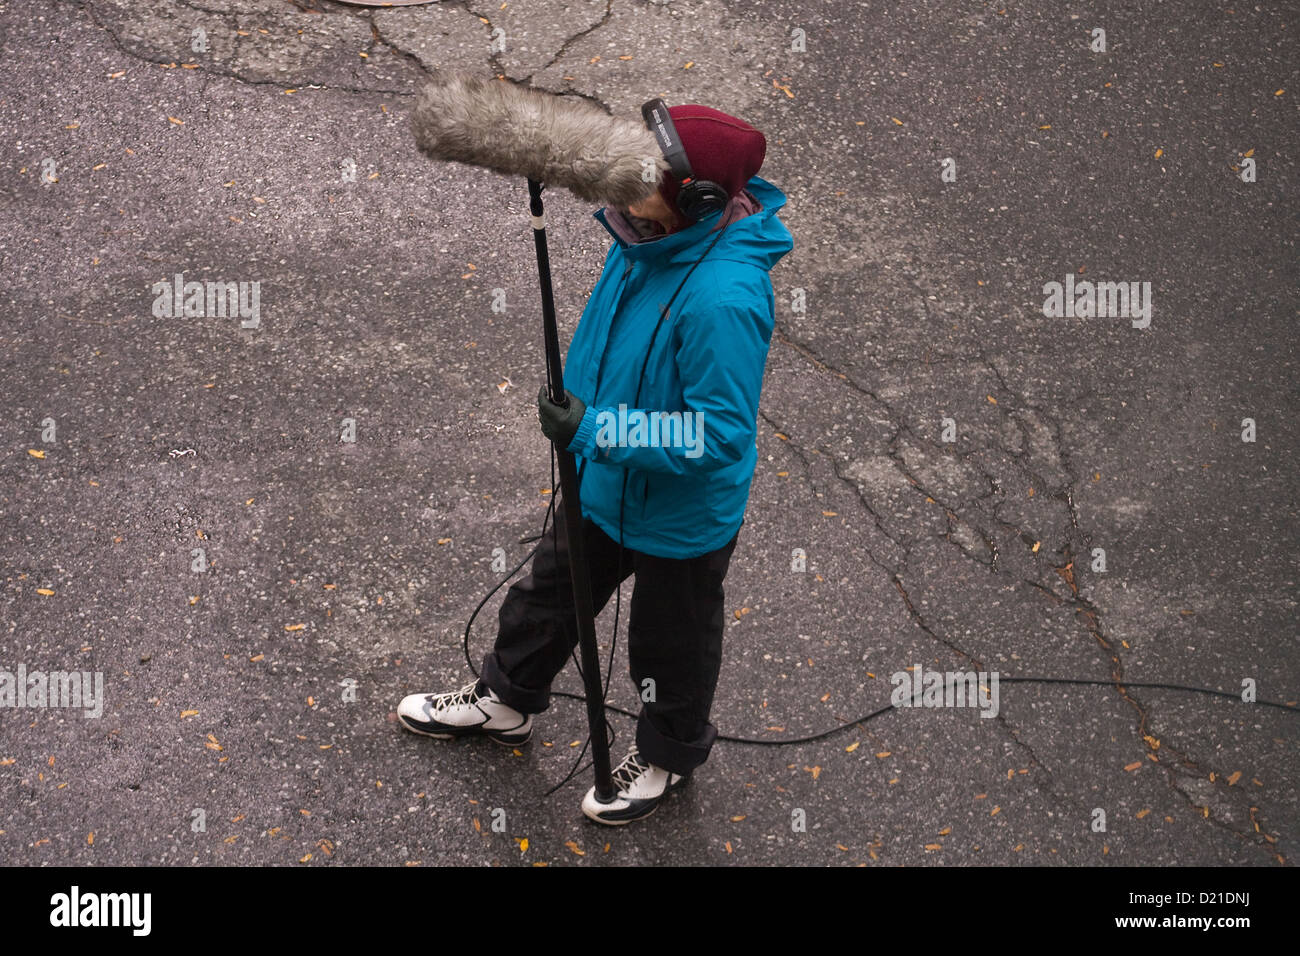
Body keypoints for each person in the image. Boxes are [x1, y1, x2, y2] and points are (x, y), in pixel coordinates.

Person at [398, 103, 794, 825]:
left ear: (697, 198)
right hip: (604, 475)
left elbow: (719, 436)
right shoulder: (645, 236)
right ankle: (505, 701)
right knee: (551, 592)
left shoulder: (723, 298)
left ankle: (667, 755)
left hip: (679, 511)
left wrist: (594, 427)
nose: (617, 189)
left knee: (668, 644)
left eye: (638, 178)